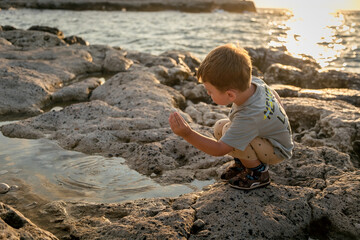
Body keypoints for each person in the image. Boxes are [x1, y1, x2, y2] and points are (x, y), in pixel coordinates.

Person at [168, 43, 293, 190]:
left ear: (230, 94)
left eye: (210, 91)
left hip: (276, 151)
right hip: (273, 140)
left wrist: (187, 133)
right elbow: (275, 95)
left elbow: (219, 149)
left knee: (229, 130)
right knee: (221, 125)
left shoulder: (249, 117)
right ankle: (243, 165)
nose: (208, 94)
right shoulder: (255, 82)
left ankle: (258, 174)